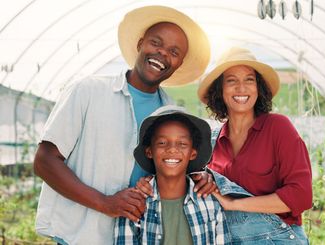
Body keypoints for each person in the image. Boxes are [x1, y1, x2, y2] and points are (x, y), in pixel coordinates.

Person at [33, 5, 211, 245]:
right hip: (82, 236)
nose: (162, 54)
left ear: (178, 64)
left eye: (173, 51)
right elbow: (45, 161)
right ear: (140, 44)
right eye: (155, 43)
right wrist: (105, 203)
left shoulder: (171, 115)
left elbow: (171, 174)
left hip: (137, 236)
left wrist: (199, 178)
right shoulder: (89, 91)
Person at [197, 47, 313, 244]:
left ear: (258, 88)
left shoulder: (278, 127)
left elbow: (301, 196)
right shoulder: (213, 143)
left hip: (278, 240)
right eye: (231, 80)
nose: (241, 88)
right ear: (220, 90)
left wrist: (234, 203)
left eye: (249, 80)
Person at [115, 105, 231, 245]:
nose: (172, 149)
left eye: (182, 143)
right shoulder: (133, 205)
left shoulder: (210, 204)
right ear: (149, 151)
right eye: (162, 142)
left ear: (192, 153)